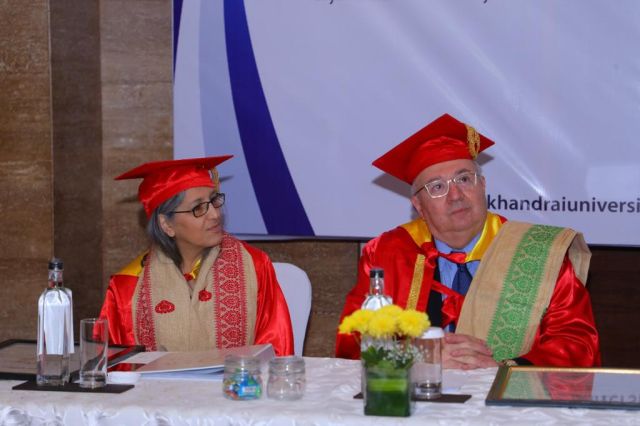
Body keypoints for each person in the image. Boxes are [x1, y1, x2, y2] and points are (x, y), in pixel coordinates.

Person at [336, 113, 600, 368]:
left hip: (505, 394)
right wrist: (419, 357)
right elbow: (353, 342)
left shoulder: (538, 252)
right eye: (437, 187)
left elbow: (577, 344)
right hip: (420, 392)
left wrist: (504, 368)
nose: (456, 196)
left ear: (483, 185)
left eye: (464, 179)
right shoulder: (386, 253)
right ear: (418, 205)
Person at [98, 156, 294, 356]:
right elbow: (114, 363)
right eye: (198, 208)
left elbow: (276, 353)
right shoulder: (127, 287)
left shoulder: (254, 267)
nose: (215, 215)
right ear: (167, 225)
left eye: (214, 201)